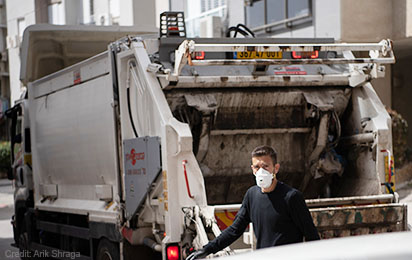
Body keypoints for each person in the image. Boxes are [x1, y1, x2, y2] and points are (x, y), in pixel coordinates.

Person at [187, 145, 320, 260]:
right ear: (252, 169)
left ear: (276, 168)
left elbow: (311, 235)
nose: (261, 171)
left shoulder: (291, 197)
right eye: (257, 167)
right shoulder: (252, 195)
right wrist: (207, 249)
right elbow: (235, 230)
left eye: (266, 166)